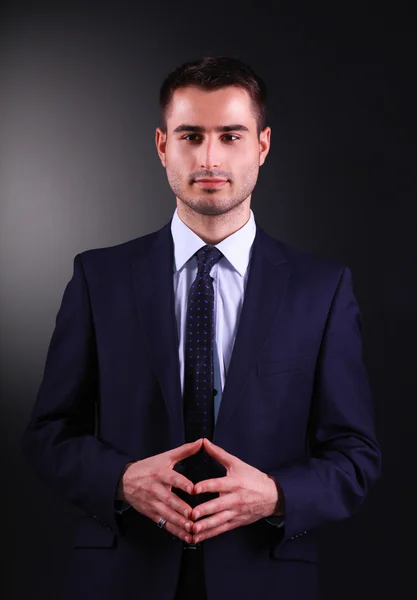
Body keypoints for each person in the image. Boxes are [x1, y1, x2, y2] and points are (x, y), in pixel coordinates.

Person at [22, 55, 381, 600]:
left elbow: (356, 454)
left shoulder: (321, 290)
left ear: (261, 145)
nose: (210, 158)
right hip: (121, 578)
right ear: (163, 145)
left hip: (266, 577)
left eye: (230, 136)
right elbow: (50, 435)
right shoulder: (99, 277)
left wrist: (277, 494)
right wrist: (118, 481)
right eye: (191, 135)